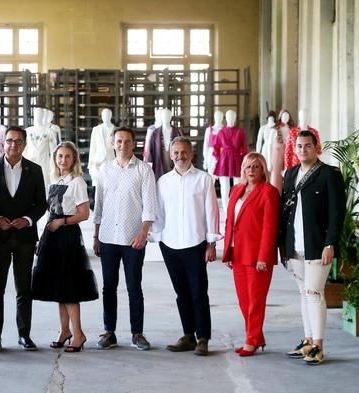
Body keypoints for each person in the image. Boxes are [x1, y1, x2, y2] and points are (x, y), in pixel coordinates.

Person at [279, 130, 346, 365]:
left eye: (307, 146)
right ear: (294, 148)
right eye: (299, 146)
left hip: (318, 245)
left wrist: (331, 243)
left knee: (314, 293)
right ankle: (308, 341)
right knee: (303, 294)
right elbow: (284, 212)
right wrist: (283, 245)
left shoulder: (329, 174)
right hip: (295, 245)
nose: (303, 150)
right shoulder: (290, 174)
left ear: (316, 148)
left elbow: (337, 213)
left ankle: (318, 346)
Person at [152, 137, 222, 356]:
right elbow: (159, 213)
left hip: (196, 243)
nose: (180, 156)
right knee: (181, 293)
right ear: (170, 155)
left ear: (191, 154)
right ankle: (188, 335)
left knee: (199, 292)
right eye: (176, 153)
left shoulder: (203, 179)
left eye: (184, 152)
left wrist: (211, 243)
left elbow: (211, 212)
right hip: (170, 244)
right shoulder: (163, 181)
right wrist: (159, 238)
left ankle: (203, 338)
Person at [0, 126, 47, 351]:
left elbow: (41, 203)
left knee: (23, 289)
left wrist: (28, 219)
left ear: (24, 145)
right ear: (3, 143)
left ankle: (24, 335)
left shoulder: (35, 170)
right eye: (9, 141)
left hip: (25, 238)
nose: (13, 145)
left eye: (18, 141)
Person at [93, 127, 157, 350]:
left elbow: (150, 206)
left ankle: (137, 333)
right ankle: (109, 332)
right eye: (119, 141)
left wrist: (143, 233)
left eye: (127, 141)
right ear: (113, 143)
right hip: (108, 236)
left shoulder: (143, 170)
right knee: (109, 287)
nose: (123, 145)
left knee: (133, 287)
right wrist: (96, 235)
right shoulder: (105, 171)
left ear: (134, 144)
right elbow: (99, 206)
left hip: (133, 239)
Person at [31, 142, 99, 352]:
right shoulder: (54, 181)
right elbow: (50, 211)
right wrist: (42, 238)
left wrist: (63, 222)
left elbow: (85, 213)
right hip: (51, 235)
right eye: (60, 156)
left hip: (67, 235)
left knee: (69, 288)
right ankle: (64, 330)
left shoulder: (77, 182)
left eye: (67, 156)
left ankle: (78, 333)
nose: (63, 160)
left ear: (74, 160)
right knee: (58, 287)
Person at [222, 152, 280, 356]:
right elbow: (231, 222)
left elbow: (269, 227)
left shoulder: (268, 192)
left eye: (256, 167)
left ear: (263, 169)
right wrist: (228, 251)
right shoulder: (237, 189)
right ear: (242, 170)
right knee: (244, 300)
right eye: (248, 167)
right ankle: (256, 337)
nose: (251, 171)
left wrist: (264, 257)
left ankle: (252, 340)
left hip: (257, 257)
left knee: (256, 301)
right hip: (237, 253)